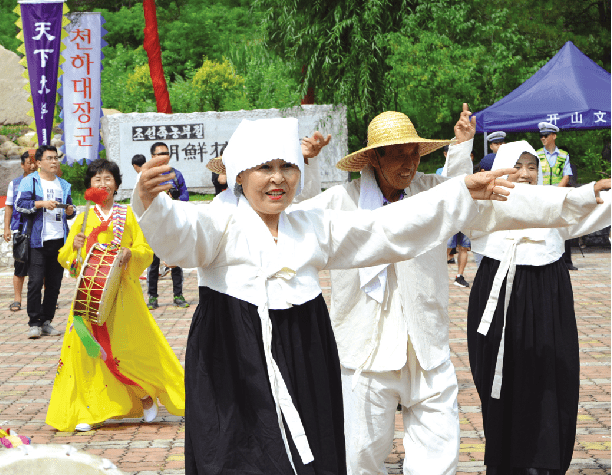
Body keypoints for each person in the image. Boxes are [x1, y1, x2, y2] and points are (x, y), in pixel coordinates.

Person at [133, 117, 517, 475]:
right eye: (265, 168)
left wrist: (458, 190)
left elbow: (384, 227)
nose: (277, 179)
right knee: (242, 458)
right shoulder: (219, 221)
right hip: (236, 362)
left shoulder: (310, 224)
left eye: (288, 167)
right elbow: (179, 234)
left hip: (305, 354)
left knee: (311, 456)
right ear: (239, 174)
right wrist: (154, 204)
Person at [294, 107, 611, 475]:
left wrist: (586, 196)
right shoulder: (342, 202)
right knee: (359, 458)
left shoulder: (436, 193)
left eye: (415, 152)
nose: (410, 161)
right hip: (364, 353)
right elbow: (298, 222)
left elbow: (515, 203)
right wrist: (306, 165)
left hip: (427, 348)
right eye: (398, 152)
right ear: (375, 157)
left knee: (438, 460)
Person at [466, 141, 610, 475]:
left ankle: (542, 462)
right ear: (501, 166)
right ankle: (505, 460)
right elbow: (451, 195)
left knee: (549, 380)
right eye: (517, 165)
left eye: (532, 166)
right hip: (498, 298)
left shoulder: (559, 208)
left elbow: (596, 206)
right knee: (499, 383)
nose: (526, 174)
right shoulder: (483, 208)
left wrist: (596, 191)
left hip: (548, 299)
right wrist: (461, 149)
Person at [46, 158, 185, 432]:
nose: (102, 183)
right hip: (88, 297)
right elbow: (69, 263)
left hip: (123, 295)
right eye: (97, 179)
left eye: (107, 178)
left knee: (127, 348)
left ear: (117, 184)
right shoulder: (84, 217)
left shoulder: (128, 215)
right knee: (87, 353)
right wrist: (74, 247)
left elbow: (145, 250)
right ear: (89, 186)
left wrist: (130, 253)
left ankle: (145, 395)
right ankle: (89, 409)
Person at [15, 145, 76, 339]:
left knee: (54, 284)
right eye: (49, 158)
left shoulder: (63, 184)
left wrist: (70, 211)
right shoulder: (29, 182)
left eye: (56, 158)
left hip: (59, 240)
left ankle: (46, 321)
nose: (54, 161)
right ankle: (34, 322)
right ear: (39, 162)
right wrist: (41, 204)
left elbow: (71, 208)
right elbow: (20, 205)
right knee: (34, 283)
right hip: (37, 241)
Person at [146, 142, 190, 309]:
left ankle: (178, 295)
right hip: (154, 225)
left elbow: (186, 195)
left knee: (176, 260)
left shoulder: (176, 174)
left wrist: (176, 197)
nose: (163, 156)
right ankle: (152, 297)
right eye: (159, 154)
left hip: (173, 222)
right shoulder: (148, 177)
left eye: (166, 153)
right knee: (153, 262)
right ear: (152, 157)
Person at [536, 122, 577, 270]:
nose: (542, 138)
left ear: (554, 136)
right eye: (541, 136)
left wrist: (556, 193)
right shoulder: (537, 154)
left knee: (562, 227)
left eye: (545, 135)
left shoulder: (564, 155)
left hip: (558, 195)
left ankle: (566, 261)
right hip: (542, 196)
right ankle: (544, 258)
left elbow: (566, 176)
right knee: (543, 227)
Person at [4, 150, 37, 312]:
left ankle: (43, 298)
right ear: (22, 165)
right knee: (20, 265)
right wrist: (7, 228)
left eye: (34, 162)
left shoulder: (44, 182)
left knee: (41, 265)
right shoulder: (14, 184)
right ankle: (17, 299)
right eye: (28, 163)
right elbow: (9, 206)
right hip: (20, 229)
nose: (32, 166)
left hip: (39, 230)